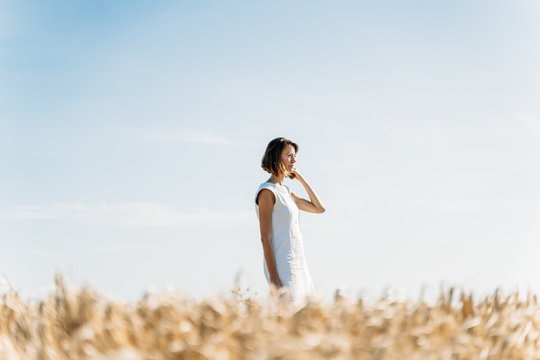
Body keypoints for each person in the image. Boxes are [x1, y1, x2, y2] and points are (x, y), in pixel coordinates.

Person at [254, 137, 326, 307]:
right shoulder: (267, 192)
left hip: (299, 264)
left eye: (294, 156)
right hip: (282, 267)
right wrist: (274, 279)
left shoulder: (286, 191)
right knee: (289, 316)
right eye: (289, 155)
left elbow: (319, 208)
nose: (294, 160)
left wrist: (301, 179)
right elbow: (265, 237)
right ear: (277, 157)